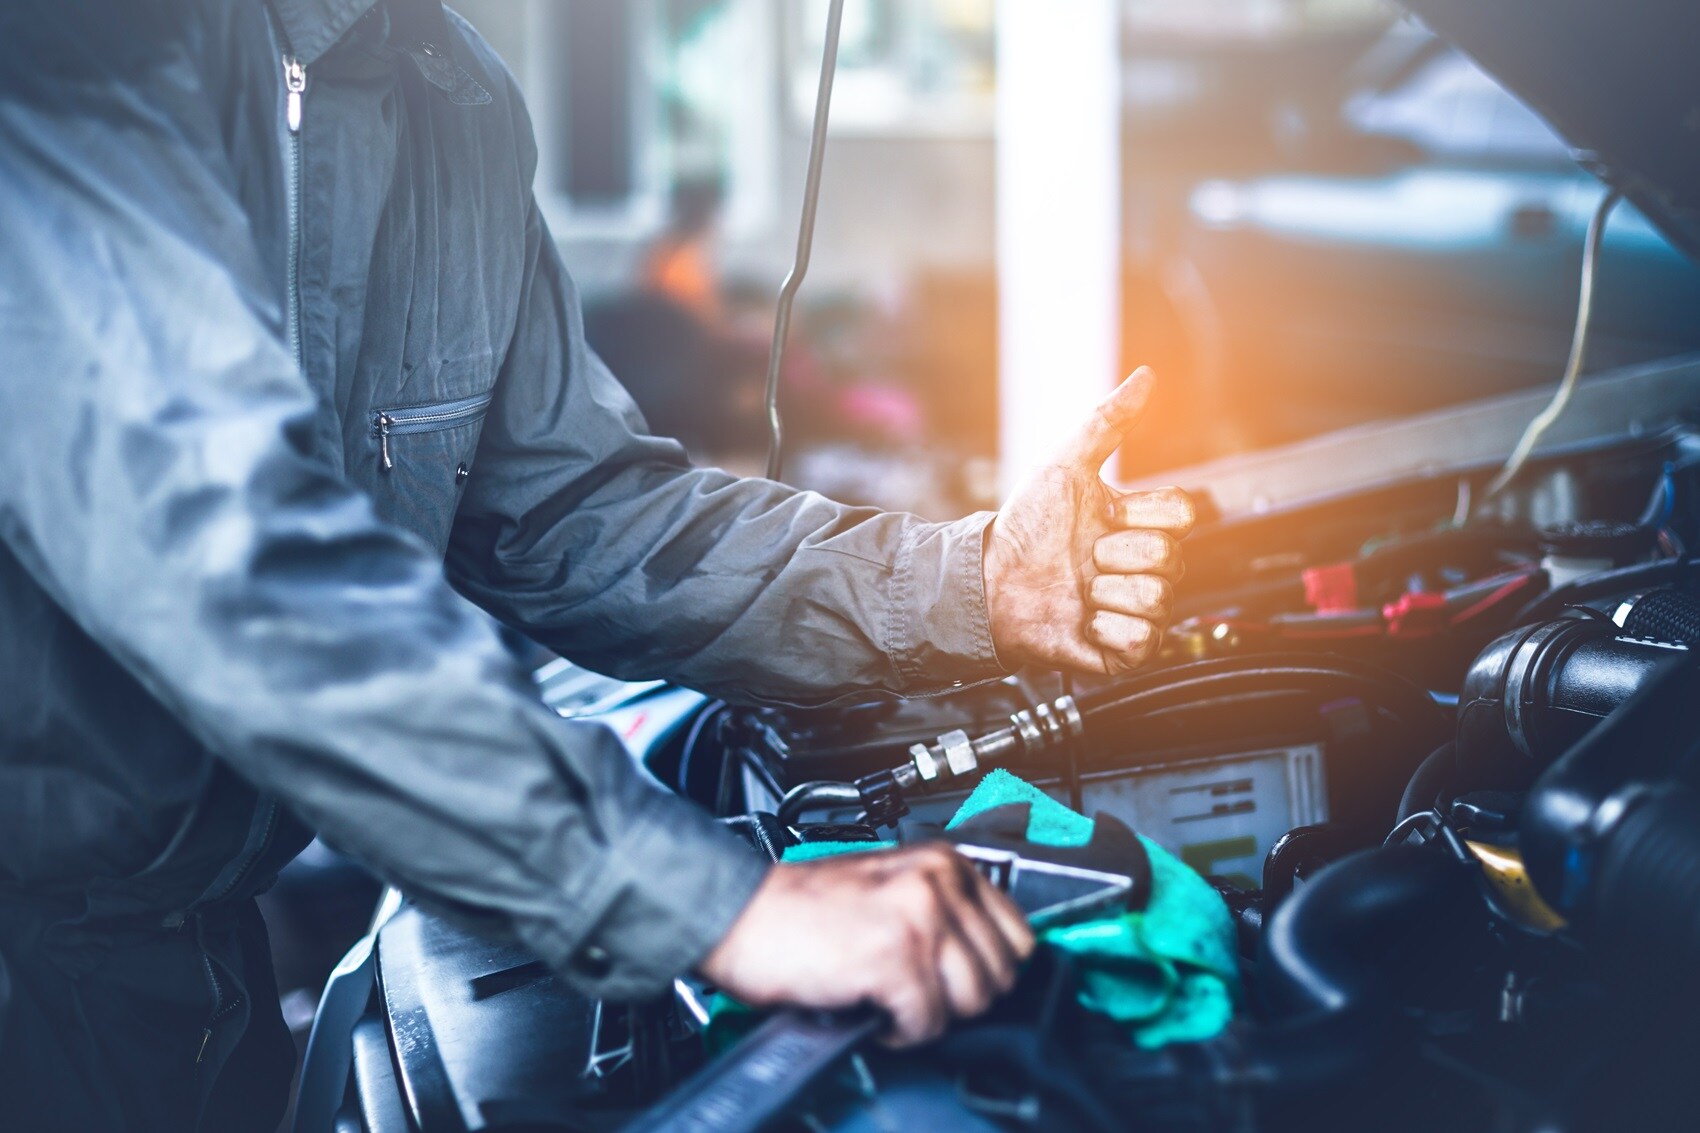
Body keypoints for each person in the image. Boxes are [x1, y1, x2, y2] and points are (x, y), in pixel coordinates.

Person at [0, 1, 1196, 1129]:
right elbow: (226, 554)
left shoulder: (449, 99)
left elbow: (568, 510)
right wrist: (713, 906)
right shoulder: (70, 49)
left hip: (188, 967)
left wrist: (966, 582)